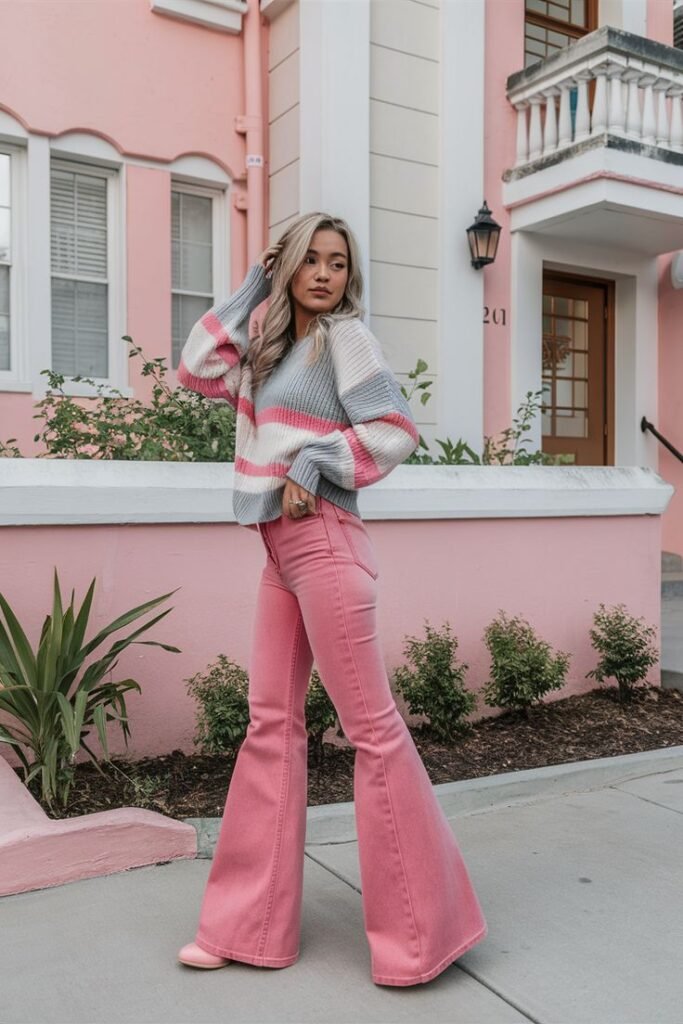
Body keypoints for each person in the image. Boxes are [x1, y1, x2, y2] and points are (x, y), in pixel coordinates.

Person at [175, 211, 488, 986]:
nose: (323, 274)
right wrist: (258, 276)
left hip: (322, 540)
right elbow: (194, 367)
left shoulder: (344, 337)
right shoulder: (270, 344)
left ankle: (422, 935)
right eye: (308, 261)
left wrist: (313, 462)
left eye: (337, 263)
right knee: (269, 728)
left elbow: (393, 428)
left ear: (351, 277)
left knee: (370, 732)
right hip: (279, 552)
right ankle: (246, 928)